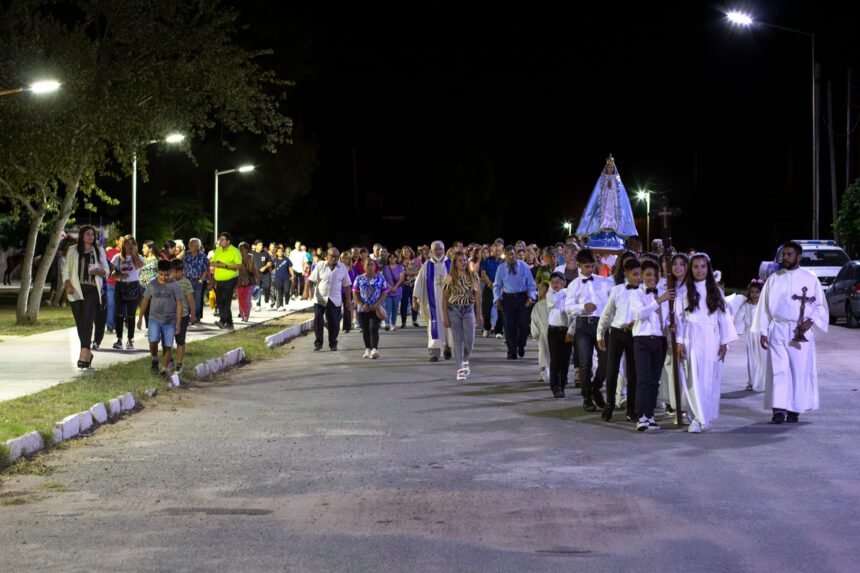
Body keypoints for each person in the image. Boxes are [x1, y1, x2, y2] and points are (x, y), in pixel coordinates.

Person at [752, 241, 829, 424]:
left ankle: (794, 409)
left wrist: (810, 322)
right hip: (778, 328)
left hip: (801, 331)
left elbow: (820, 306)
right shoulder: (774, 278)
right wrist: (763, 331)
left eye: (789, 254)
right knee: (779, 370)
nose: (785, 258)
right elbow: (764, 307)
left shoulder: (810, 279)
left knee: (798, 370)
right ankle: (779, 409)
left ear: (798, 257)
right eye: (783, 255)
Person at [675, 253, 738, 433]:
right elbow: (679, 318)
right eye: (696, 267)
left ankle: (706, 415)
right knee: (692, 376)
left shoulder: (715, 290)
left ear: (708, 269)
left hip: (711, 336)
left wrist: (724, 342)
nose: (699, 270)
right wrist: (679, 341)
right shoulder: (683, 291)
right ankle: (695, 417)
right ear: (690, 269)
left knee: (709, 377)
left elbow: (724, 317)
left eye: (703, 266)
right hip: (691, 335)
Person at [565, 248, 612, 411]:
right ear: (579, 266)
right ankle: (586, 398)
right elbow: (568, 308)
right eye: (587, 267)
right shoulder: (574, 285)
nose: (590, 269)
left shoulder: (604, 281)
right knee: (585, 363)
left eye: (592, 266)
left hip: (601, 324)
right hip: (583, 325)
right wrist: (582, 307)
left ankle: (595, 388)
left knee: (606, 361)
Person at [630, 259, 674, 431]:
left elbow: (666, 318)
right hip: (642, 339)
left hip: (660, 340)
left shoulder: (662, 293)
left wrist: (671, 323)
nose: (652, 278)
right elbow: (639, 314)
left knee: (655, 381)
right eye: (648, 274)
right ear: (641, 276)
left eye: (655, 275)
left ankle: (650, 415)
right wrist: (658, 301)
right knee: (644, 380)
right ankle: (640, 416)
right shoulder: (636, 294)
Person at [597, 257, 642, 422]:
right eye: (635, 274)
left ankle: (631, 408)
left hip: (634, 334)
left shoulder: (644, 290)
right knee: (611, 371)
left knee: (633, 373)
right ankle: (609, 405)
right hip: (616, 332)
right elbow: (607, 313)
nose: (638, 277)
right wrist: (600, 333)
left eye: (640, 274)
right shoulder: (616, 290)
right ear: (626, 274)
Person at [62, 225, 109, 369]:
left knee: (87, 320)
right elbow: (66, 270)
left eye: (93, 235)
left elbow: (106, 270)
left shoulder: (98, 250)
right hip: (76, 290)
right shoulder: (72, 250)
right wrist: (67, 283)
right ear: (82, 235)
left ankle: (83, 353)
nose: (91, 237)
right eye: (88, 234)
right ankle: (88, 352)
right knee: (80, 322)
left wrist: (99, 271)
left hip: (92, 290)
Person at [137, 259, 184, 376]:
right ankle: (154, 359)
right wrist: (140, 318)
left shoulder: (175, 286)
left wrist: (178, 321)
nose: (164, 277)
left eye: (167, 275)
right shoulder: (152, 284)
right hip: (154, 319)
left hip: (170, 320)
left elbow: (179, 304)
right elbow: (145, 301)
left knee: (167, 345)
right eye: (161, 275)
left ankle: (164, 369)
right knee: (153, 341)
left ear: (171, 272)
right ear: (158, 273)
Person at [441, 250, 483, 380]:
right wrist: (445, 317)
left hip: (468, 310)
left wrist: (479, 314)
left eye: (465, 260)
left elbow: (477, 296)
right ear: (455, 263)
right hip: (454, 310)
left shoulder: (473, 276)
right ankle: (460, 369)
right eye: (461, 260)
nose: (464, 262)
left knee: (469, 341)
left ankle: (465, 359)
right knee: (458, 341)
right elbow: (444, 299)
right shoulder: (450, 278)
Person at [493, 245, 538, 360]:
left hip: (522, 298)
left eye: (512, 254)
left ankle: (521, 345)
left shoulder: (523, 266)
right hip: (508, 299)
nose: (511, 256)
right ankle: (511, 351)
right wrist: (497, 299)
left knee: (523, 325)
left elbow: (531, 284)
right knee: (509, 326)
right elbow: (497, 286)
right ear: (505, 256)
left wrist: (531, 297)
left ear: (515, 254)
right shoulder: (501, 268)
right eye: (508, 255)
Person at [413, 241, 453, 362]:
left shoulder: (450, 264)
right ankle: (434, 352)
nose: (438, 251)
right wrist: (415, 300)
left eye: (440, 249)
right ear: (432, 251)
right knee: (433, 326)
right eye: (436, 249)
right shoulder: (426, 266)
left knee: (449, 327)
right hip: (432, 303)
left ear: (444, 249)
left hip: (449, 303)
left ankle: (447, 348)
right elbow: (418, 283)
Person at [308, 247, 352, 352]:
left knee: (334, 322)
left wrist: (348, 300)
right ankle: (318, 344)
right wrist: (306, 291)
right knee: (318, 319)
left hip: (335, 298)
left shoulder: (342, 267)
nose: (334, 258)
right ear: (327, 256)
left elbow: (347, 285)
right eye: (332, 256)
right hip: (320, 298)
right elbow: (310, 280)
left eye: (336, 256)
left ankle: (333, 343)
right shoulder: (320, 265)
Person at [110, 236, 145, 351]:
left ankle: (130, 340)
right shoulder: (117, 258)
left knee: (131, 315)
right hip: (120, 286)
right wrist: (119, 276)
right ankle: (119, 339)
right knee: (120, 314)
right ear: (123, 245)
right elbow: (110, 273)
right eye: (127, 243)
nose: (130, 245)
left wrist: (134, 253)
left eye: (132, 243)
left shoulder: (138, 257)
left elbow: (140, 266)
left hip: (133, 286)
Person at [733, 279, 767, 392]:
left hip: (762, 334)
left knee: (763, 358)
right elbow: (738, 317)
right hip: (751, 334)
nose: (754, 294)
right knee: (752, 359)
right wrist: (735, 330)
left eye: (757, 292)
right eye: (752, 292)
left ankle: (763, 381)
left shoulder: (764, 306)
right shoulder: (746, 305)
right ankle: (752, 381)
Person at [544, 272, 573, 398]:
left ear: (564, 282)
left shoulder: (569, 295)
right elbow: (554, 300)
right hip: (554, 330)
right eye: (553, 282)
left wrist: (571, 330)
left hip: (566, 330)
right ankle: (555, 386)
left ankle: (562, 384)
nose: (555, 284)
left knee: (565, 359)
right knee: (555, 359)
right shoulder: (550, 294)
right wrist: (565, 291)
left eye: (558, 282)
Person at [353, 259, 388, 359]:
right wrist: (361, 304)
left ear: (375, 266)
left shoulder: (381, 278)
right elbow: (355, 293)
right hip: (363, 309)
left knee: (373, 327)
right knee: (365, 329)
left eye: (372, 265)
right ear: (364, 267)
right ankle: (367, 349)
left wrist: (377, 304)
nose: (370, 267)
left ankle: (374, 349)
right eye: (368, 265)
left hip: (375, 308)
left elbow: (384, 292)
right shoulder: (359, 278)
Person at [170, 258, 197, 374]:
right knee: (167, 341)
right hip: (169, 316)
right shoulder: (168, 282)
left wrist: (193, 314)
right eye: (173, 272)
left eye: (178, 272)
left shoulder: (186, 283)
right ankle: (169, 360)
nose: (176, 274)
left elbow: (191, 300)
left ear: (182, 271)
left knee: (180, 340)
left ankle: (179, 363)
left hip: (183, 316)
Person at [211, 232, 242, 330]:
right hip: (219, 280)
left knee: (226, 299)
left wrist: (225, 266)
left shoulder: (235, 251)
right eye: (220, 239)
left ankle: (222, 321)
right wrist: (217, 264)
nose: (220, 241)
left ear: (228, 241)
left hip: (231, 279)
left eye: (222, 239)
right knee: (220, 301)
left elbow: (239, 266)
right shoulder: (218, 250)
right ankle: (229, 322)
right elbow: (212, 262)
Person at [479, 242, 504, 339]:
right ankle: (486, 328)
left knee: (500, 309)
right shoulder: (487, 260)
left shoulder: (503, 262)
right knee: (486, 309)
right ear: (492, 251)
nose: (497, 252)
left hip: (500, 288)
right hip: (489, 287)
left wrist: (499, 286)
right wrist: (490, 283)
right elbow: (483, 273)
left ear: (502, 251)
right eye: (496, 250)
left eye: (499, 250)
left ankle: (498, 330)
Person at [184, 238, 209, 324]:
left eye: (192, 244)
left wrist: (201, 280)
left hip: (198, 281)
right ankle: (187, 317)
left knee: (197, 300)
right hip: (187, 281)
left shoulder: (202, 256)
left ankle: (196, 317)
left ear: (197, 246)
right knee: (187, 300)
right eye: (190, 244)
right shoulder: (186, 255)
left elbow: (206, 269)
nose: (190, 246)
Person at [235, 242, 259, 322]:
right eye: (239, 248)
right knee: (240, 299)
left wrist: (257, 278)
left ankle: (246, 315)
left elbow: (255, 268)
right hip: (239, 281)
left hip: (250, 281)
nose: (241, 250)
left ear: (246, 249)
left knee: (247, 299)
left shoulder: (251, 257)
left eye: (243, 248)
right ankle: (242, 314)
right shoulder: (236, 257)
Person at [382, 252, 404, 331]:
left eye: (394, 257)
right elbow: (383, 279)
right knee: (387, 307)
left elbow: (401, 278)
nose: (392, 258)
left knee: (395, 308)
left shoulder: (400, 266)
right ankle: (387, 323)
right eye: (390, 257)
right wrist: (390, 287)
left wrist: (395, 287)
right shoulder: (385, 267)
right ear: (388, 259)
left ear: (396, 258)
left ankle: (393, 323)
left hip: (397, 290)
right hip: (387, 290)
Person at [399, 246, 421, 328]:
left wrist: (410, 272)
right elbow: (402, 272)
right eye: (404, 251)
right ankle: (403, 322)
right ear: (402, 253)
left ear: (411, 252)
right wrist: (412, 272)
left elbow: (420, 270)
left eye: (408, 251)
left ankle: (414, 321)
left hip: (414, 284)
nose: (406, 253)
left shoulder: (416, 261)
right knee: (404, 303)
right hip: (404, 285)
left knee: (414, 302)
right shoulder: (399, 262)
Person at [251, 240, 273, 311]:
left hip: (266, 274)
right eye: (259, 245)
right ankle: (258, 305)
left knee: (267, 287)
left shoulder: (266, 253)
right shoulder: (251, 254)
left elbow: (270, 263)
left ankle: (266, 302)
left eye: (262, 245)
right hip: (256, 275)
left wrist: (265, 267)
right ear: (256, 246)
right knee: (257, 289)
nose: (261, 246)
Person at [271, 246, 293, 311]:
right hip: (278, 279)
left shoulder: (286, 259)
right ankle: (281, 305)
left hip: (287, 278)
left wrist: (292, 275)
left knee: (286, 291)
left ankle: (287, 303)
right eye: (279, 252)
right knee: (279, 292)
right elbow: (271, 268)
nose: (281, 253)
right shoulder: (274, 260)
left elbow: (290, 268)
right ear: (276, 253)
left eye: (281, 251)